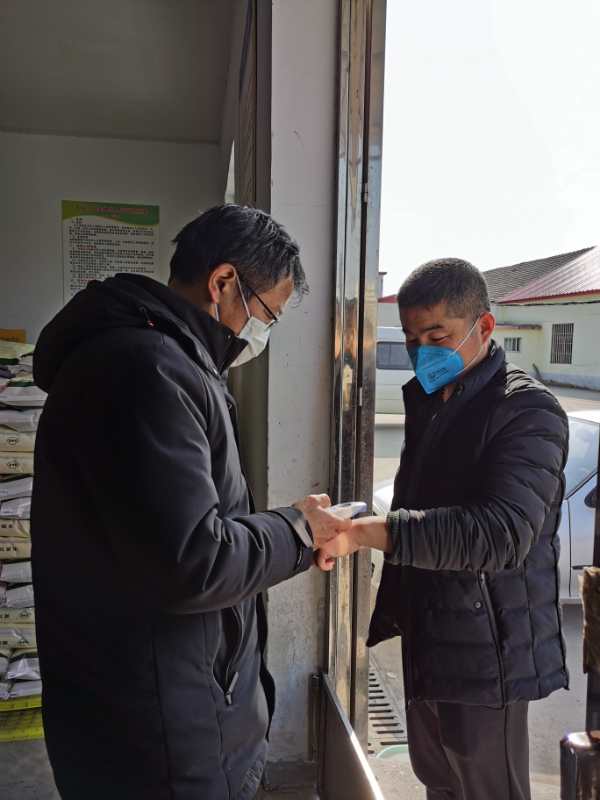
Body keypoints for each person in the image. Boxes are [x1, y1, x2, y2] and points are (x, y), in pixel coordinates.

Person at [31, 204, 351, 800]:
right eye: (266, 314)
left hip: (143, 708)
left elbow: (182, 530)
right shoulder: (148, 369)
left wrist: (292, 531)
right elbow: (192, 561)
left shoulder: (157, 361)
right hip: (161, 735)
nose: (261, 332)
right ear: (224, 281)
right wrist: (299, 530)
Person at [318, 258, 569, 800]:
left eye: (438, 336)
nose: (423, 352)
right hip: (431, 636)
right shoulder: (432, 402)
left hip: (488, 651)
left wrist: (365, 532)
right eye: (412, 340)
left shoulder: (526, 410)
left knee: (486, 790)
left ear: (484, 327)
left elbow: (501, 534)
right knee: (439, 783)